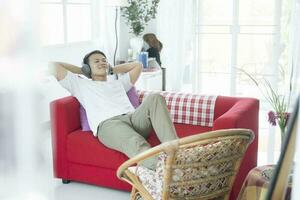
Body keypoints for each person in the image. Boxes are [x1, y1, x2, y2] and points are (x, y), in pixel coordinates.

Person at [50, 50, 178, 170]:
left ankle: (175, 151)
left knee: (155, 98)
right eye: (96, 61)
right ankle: (168, 170)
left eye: (104, 60)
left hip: (133, 118)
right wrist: (83, 71)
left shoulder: (119, 83)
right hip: (109, 124)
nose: (102, 62)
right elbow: (54, 66)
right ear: (87, 67)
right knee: (135, 142)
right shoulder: (80, 85)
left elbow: (138, 66)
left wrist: (111, 69)